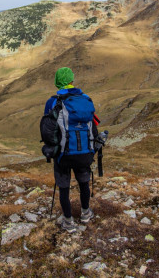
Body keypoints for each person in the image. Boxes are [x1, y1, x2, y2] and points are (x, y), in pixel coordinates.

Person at [45, 67, 97, 233]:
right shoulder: (86, 99)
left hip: (63, 155)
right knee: (83, 183)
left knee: (64, 187)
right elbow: (93, 126)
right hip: (84, 153)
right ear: (72, 80)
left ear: (57, 82)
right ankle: (86, 213)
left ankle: (68, 221)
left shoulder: (53, 102)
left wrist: (51, 148)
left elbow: (47, 129)